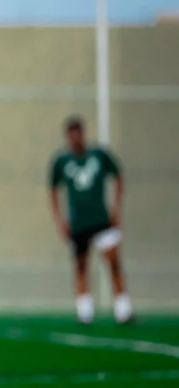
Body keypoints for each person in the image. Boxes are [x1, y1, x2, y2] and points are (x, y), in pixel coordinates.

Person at [48, 116, 133, 325]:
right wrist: (60, 220)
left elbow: (118, 175)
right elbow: (53, 189)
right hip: (78, 223)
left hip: (101, 219)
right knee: (81, 266)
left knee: (113, 261)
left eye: (77, 134)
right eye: (71, 135)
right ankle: (84, 311)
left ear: (83, 134)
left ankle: (123, 310)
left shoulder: (98, 156)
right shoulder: (62, 161)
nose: (75, 139)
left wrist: (116, 209)